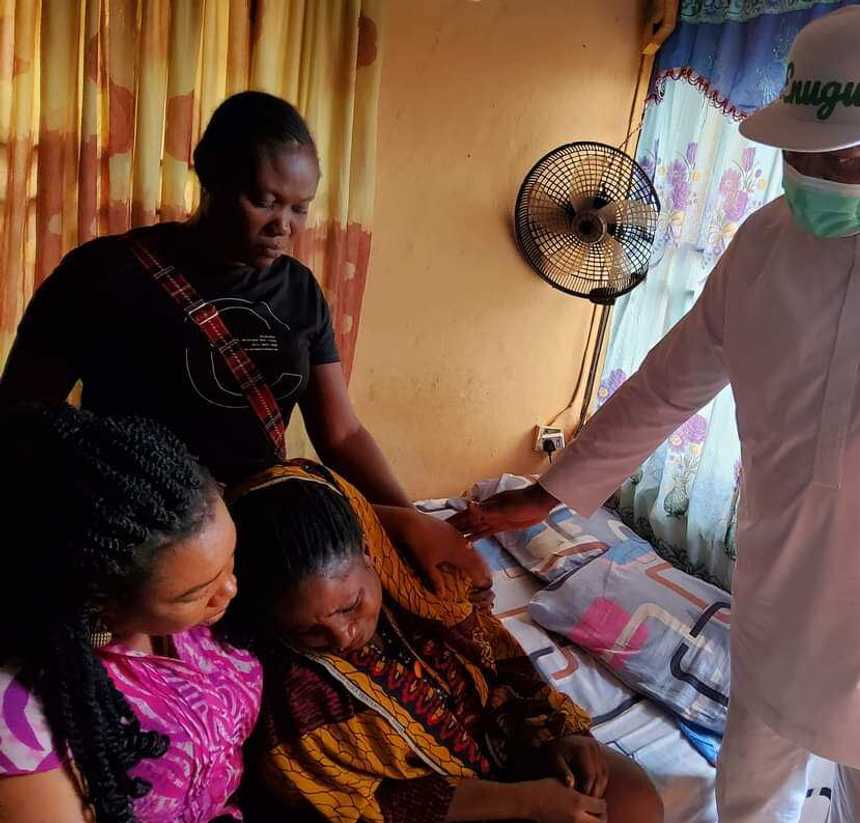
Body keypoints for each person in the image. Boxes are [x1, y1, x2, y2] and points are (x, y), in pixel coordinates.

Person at [450, 6, 860, 822]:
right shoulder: (767, 245)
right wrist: (550, 494)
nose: (809, 175)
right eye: (797, 152)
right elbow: (669, 382)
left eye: (842, 158)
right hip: (786, 584)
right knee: (754, 784)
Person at [0, 90, 488, 598]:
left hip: (266, 525)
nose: (284, 226)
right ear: (210, 175)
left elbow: (341, 434)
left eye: (300, 208)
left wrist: (407, 521)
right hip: (147, 537)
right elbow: (24, 416)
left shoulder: (300, 292)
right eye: (265, 201)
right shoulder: (103, 272)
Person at [221, 459, 664, 823]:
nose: (341, 637)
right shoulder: (289, 701)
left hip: (500, 746)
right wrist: (530, 802)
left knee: (629, 799)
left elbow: (500, 657)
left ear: (368, 552)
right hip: (432, 809)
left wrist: (562, 735)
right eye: (307, 630)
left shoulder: (420, 587)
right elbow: (376, 805)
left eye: (350, 606)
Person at [0, 405, 259, 823]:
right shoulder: (19, 714)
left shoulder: (184, 613)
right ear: (101, 600)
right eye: (195, 593)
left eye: (230, 559)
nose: (230, 588)